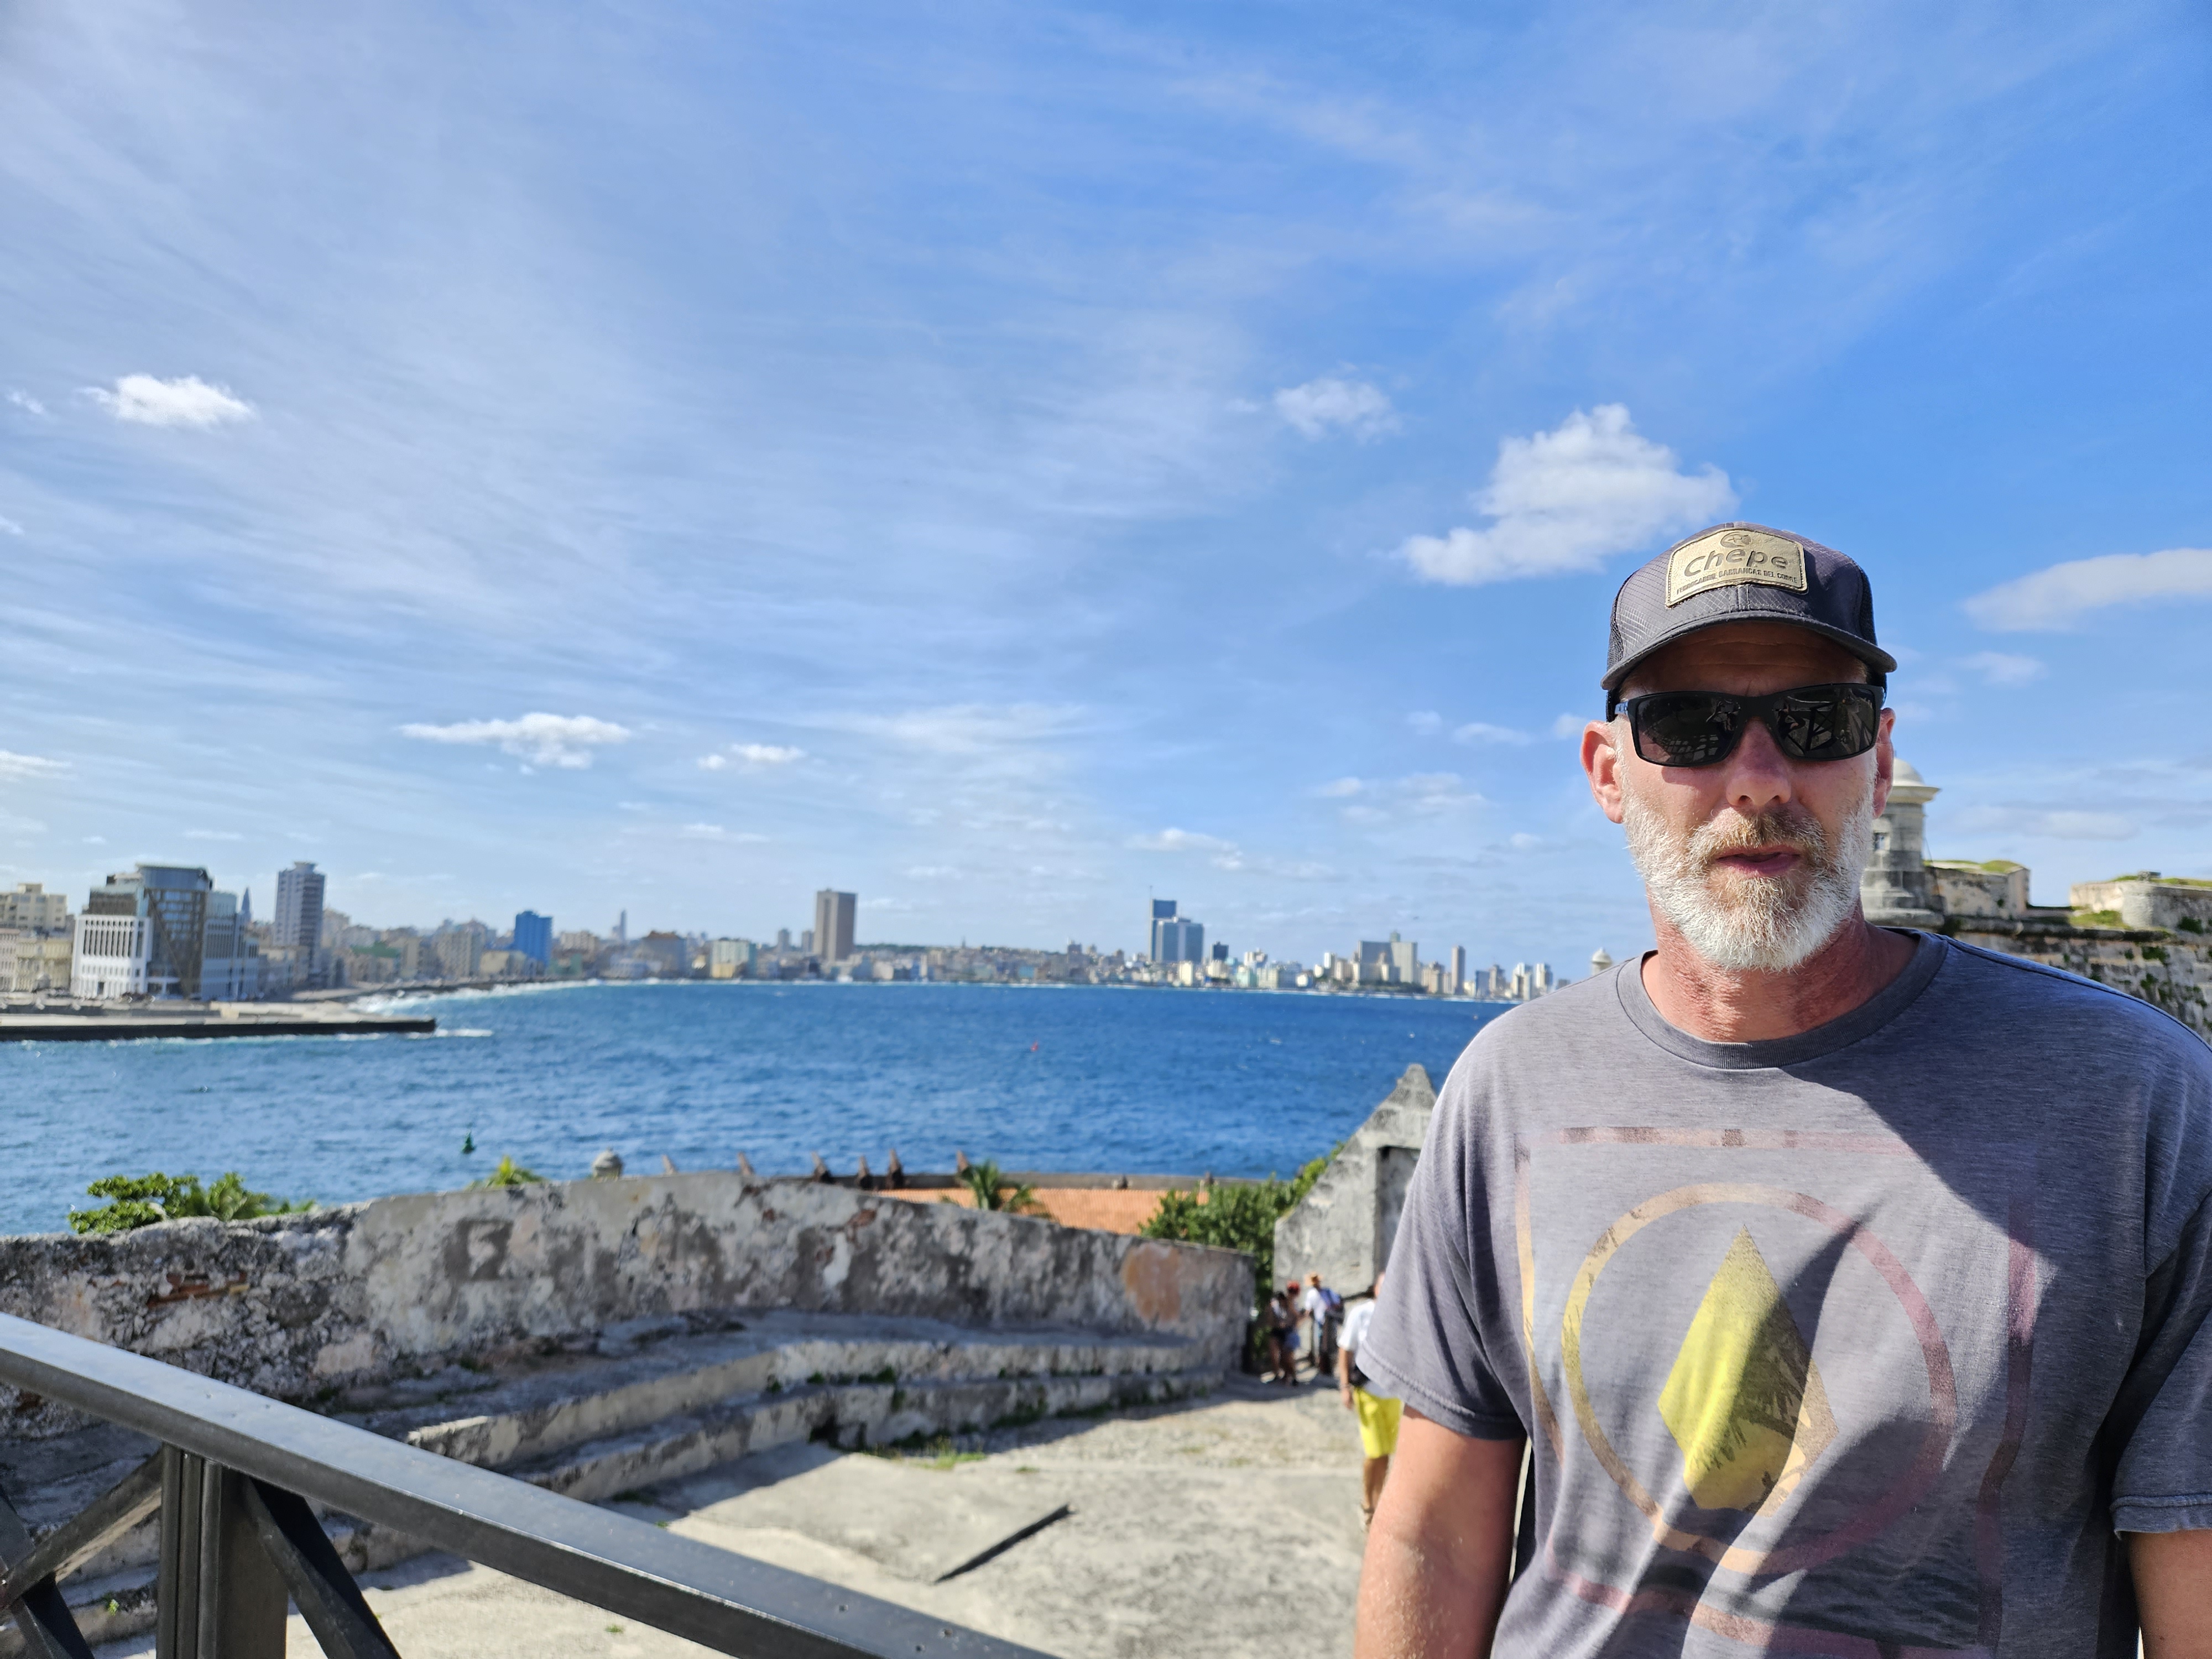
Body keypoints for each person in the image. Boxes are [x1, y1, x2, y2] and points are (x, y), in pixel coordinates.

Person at [1354, 523, 2212, 1657]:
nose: (1757, 779)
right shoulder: (1508, 1087)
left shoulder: (2136, 1102)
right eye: (1687, 726)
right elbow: (1433, 1535)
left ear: (1880, 762)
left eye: (1817, 722)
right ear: (1607, 771)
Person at [1339, 1270, 1400, 1530]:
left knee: (1386, 1454)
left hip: (1394, 1395)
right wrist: (1344, 1386)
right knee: (1374, 1452)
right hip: (1368, 1393)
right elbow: (1345, 1349)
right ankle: (1367, 1502)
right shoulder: (1361, 1313)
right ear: (1375, 1289)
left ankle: (1378, 1502)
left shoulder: (1401, 1314)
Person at [1304, 1270, 1343, 1378]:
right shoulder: (1311, 1294)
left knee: (1332, 1345)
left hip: (1330, 1322)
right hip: (1320, 1323)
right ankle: (1323, 1368)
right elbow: (1308, 1309)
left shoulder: (1328, 1292)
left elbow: (1338, 1304)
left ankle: (1332, 1367)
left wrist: (1329, 1309)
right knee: (1321, 1347)